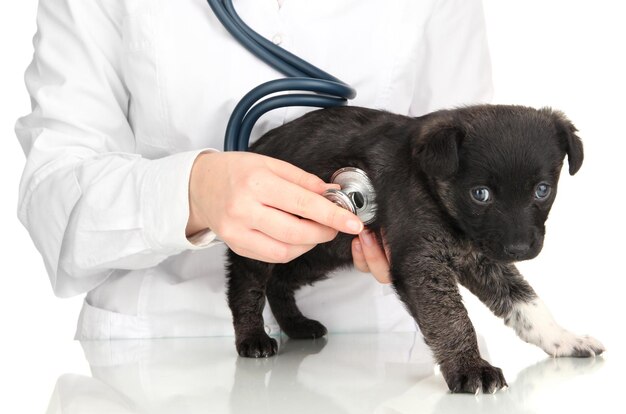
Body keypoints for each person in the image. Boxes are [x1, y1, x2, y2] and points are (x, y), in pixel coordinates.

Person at [16, 0, 492, 339]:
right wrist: (193, 192)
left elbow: (468, 165)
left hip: (374, 349)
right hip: (163, 350)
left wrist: (421, 230)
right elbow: (52, 199)